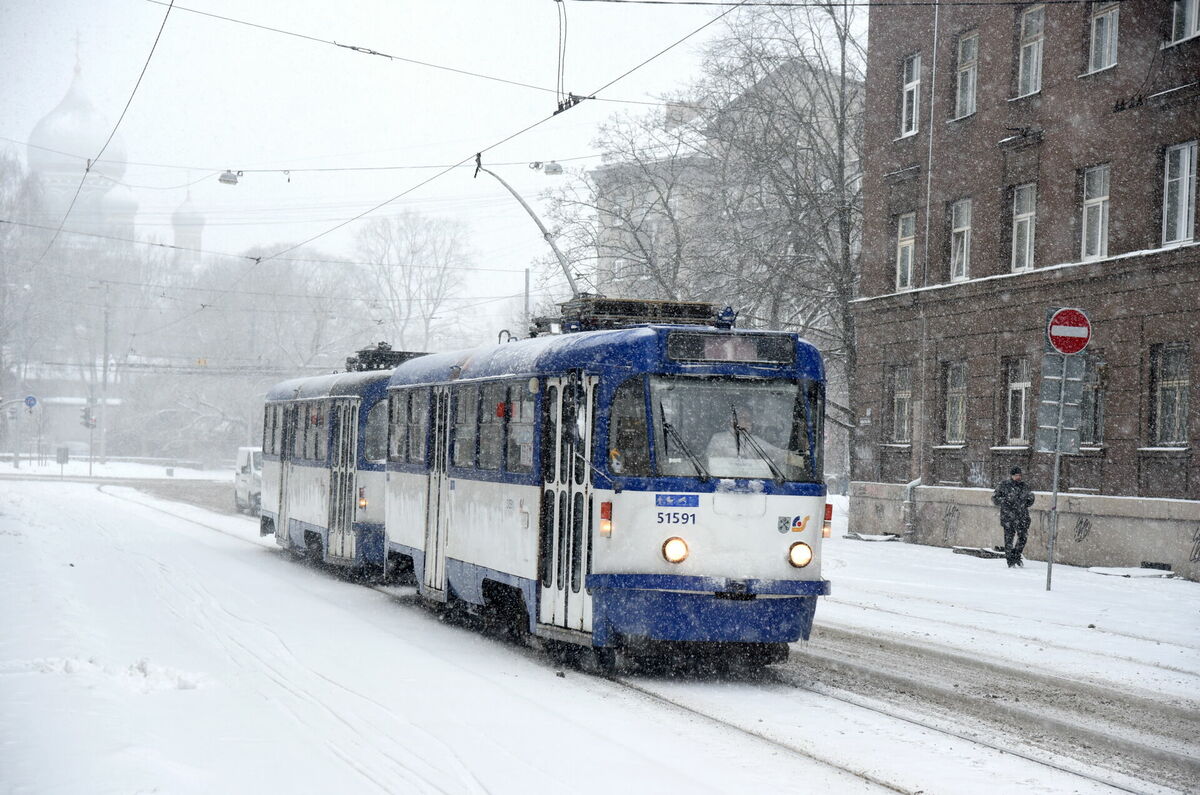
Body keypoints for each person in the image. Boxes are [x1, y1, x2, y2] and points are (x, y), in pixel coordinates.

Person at [991, 466, 1035, 567]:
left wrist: (1029, 500)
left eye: (1019, 475)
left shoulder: (1024, 486)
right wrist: (1006, 501)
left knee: (1023, 537)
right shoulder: (1004, 485)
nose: (1018, 477)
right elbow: (994, 498)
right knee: (1009, 539)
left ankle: (1016, 555)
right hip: (1008, 517)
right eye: (1016, 475)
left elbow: (1030, 498)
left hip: (1022, 516)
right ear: (1011, 476)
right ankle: (1010, 560)